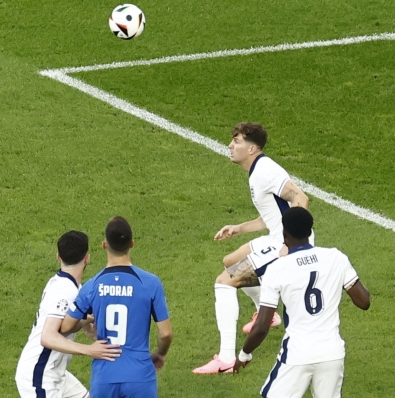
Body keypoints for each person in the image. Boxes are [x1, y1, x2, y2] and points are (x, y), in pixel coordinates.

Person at [193, 122, 311, 374]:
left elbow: (300, 199)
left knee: (224, 281)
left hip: (286, 244)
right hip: (276, 237)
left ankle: (225, 359)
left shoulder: (265, 171)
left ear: (252, 148)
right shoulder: (257, 171)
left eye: (236, 141)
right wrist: (239, 227)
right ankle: (267, 315)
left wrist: (292, 245)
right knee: (230, 260)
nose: (230, 145)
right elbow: (273, 216)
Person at [233, 207, 370, 398]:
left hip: (298, 353)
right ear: (310, 231)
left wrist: (244, 354)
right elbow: (364, 301)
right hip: (332, 353)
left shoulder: (277, 269)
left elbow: (262, 326)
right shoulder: (336, 258)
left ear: (284, 233)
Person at [61, 216, 173, 398]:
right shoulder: (150, 283)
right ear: (132, 244)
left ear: (104, 245)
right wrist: (160, 353)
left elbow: (65, 326)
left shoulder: (92, 286)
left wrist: (89, 319)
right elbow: (166, 333)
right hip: (139, 376)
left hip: (104, 376)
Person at [15, 230, 122, 398]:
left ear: (58, 256)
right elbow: (48, 337)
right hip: (39, 376)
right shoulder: (64, 291)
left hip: (57, 374)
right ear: (87, 258)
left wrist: (88, 322)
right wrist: (89, 350)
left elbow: (69, 325)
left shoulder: (69, 286)